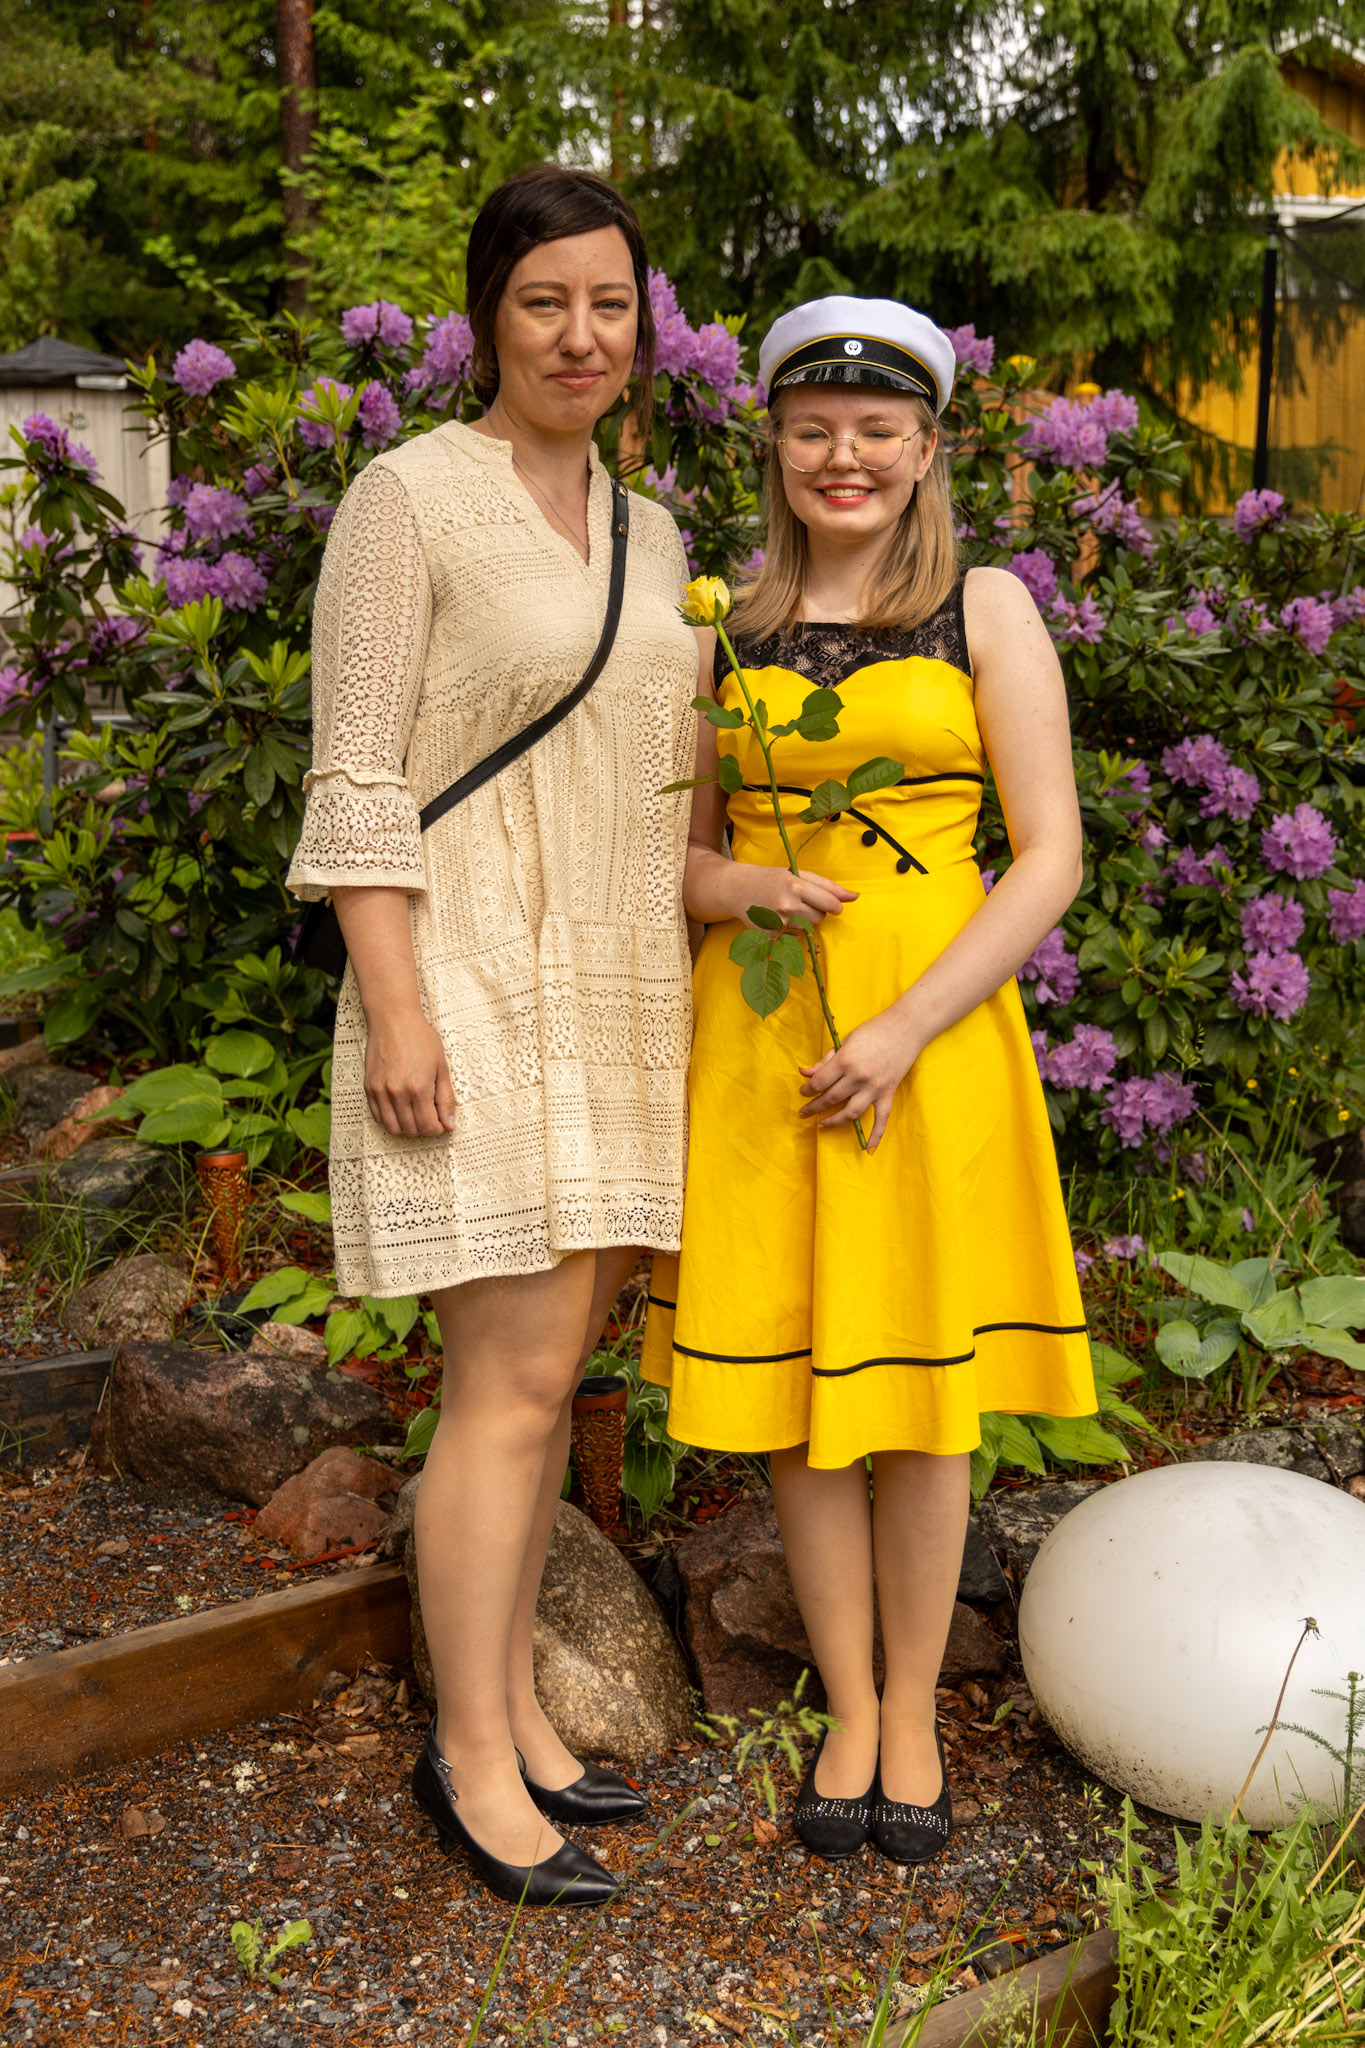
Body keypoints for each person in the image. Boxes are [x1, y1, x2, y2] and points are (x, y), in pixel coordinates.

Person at [286, 165, 699, 1907]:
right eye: (545, 302)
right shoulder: (408, 499)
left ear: (642, 329)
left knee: (550, 1388)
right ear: (486, 318)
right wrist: (396, 1002)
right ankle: (466, 1751)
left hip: (619, 991)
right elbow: (358, 775)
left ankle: (519, 1708)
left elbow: (652, 790)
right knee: (505, 1387)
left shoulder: (653, 533)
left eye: (609, 304)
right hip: (463, 978)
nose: (579, 335)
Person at [643, 296, 1097, 1864]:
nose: (843, 455)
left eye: (875, 430)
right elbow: (678, 857)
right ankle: (846, 1704)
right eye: (813, 429)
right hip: (764, 1039)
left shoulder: (985, 608)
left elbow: (1047, 859)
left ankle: (915, 1710)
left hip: (930, 1035)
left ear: (923, 447)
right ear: (774, 443)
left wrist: (905, 1029)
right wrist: (742, 889)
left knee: (918, 1399)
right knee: (795, 1391)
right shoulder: (721, 625)